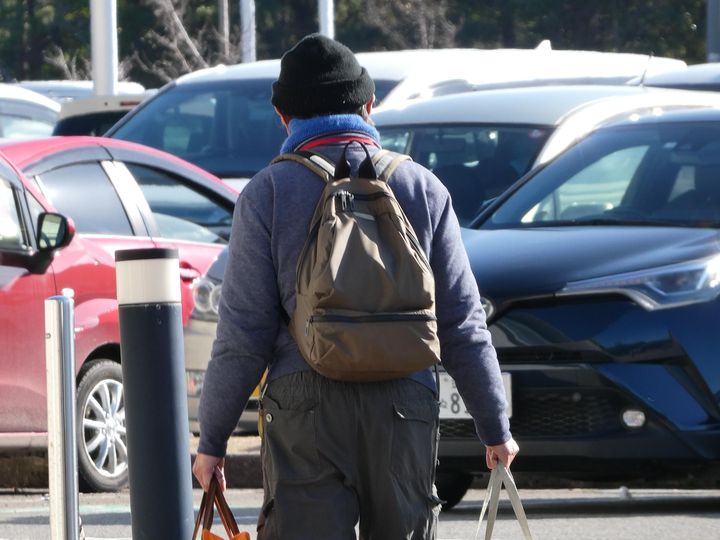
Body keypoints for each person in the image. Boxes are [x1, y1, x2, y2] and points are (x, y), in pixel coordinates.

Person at [192, 33, 518, 539]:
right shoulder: (421, 188)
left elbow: (243, 335)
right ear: (368, 106)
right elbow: (461, 323)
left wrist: (212, 441)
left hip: (304, 405)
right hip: (404, 399)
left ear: (284, 117)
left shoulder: (268, 193)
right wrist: (495, 427)